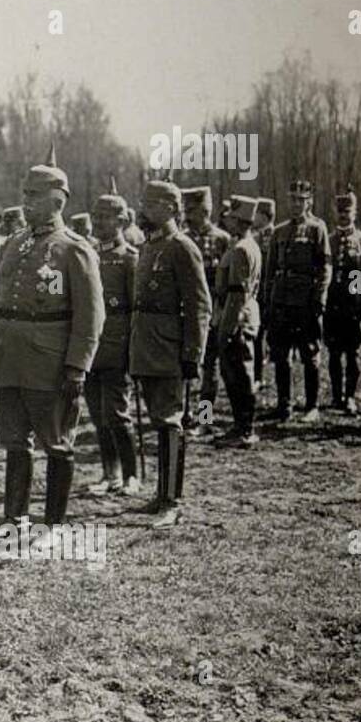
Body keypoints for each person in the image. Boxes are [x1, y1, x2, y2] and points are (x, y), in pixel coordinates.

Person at [0, 159, 104, 531]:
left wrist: (78, 365)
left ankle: (55, 526)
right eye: (25, 195)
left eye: (35, 196)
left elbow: (90, 316)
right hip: (8, 358)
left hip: (49, 362)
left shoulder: (74, 250)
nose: (26, 202)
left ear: (58, 201)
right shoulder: (14, 244)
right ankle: (16, 519)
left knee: (57, 443)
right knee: (15, 443)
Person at [127, 181, 211, 528]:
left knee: (170, 421)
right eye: (143, 202)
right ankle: (161, 494)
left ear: (172, 209)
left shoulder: (182, 247)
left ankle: (172, 501)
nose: (143, 210)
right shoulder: (150, 247)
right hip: (146, 346)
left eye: (150, 204)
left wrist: (193, 353)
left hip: (169, 348)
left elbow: (199, 305)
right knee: (159, 421)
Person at [81, 193, 140, 496]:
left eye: (106, 217)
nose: (99, 222)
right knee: (97, 414)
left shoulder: (130, 258)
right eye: (97, 216)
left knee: (117, 412)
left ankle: (131, 475)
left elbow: (135, 309)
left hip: (117, 344)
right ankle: (109, 473)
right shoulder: (88, 253)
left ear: (121, 221)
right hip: (91, 345)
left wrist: (133, 349)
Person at [262, 180, 332, 423]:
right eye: (292, 199)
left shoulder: (317, 228)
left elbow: (325, 267)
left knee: (309, 353)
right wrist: (267, 301)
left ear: (309, 201)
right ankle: (285, 405)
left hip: (305, 301)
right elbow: (270, 271)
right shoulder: (279, 231)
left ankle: (312, 406)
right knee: (281, 355)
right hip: (281, 301)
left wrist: (319, 298)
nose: (296, 204)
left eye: (301, 200)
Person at [214, 196, 264, 447]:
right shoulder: (244, 245)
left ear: (239, 220)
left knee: (240, 374)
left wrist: (227, 327)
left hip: (238, 317)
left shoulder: (242, 249)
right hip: (240, 314)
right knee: (235, 373)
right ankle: (240, 426)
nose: (227, 222)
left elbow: (237, 292)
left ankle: (245, 429)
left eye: (231, 218)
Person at [324, 190, 361, 414]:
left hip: (354, 305)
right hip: (333, 304)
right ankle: (336, 395)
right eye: (340, 211)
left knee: (353, 354)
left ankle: (350, 395)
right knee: (334, 353)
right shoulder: (329, 240)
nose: (344, 215)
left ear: (355, 213)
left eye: (348, 211)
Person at [183, 187, 232, 407]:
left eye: (193, 211)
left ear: (206, 211)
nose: (188, 216)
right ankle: (183, 413)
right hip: (186, 310)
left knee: (210, 365)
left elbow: (228, 281)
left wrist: (221, 311)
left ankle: (205, 417)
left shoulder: (222, 240)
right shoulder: (182, 240)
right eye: (187, 210)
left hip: (212, 310)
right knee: (184, 364)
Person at [252, 197, 276, 383]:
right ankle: (257, 375)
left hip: (271, 293)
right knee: (257, 335)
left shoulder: (273, 236)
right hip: (259, 293)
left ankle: (260, 375)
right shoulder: (255, 236)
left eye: (257, 214)